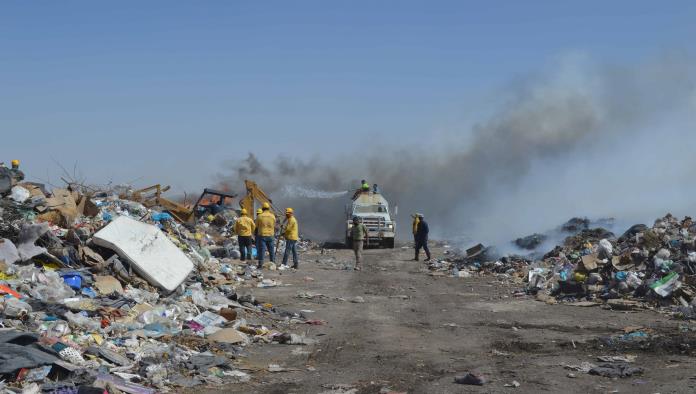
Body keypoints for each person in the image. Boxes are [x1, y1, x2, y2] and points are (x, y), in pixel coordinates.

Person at [256, 202, 276, 268]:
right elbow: (274, 225)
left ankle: (260, 264)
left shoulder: (259, 216)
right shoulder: (272, 216)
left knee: (262, 250)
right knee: (271, 250)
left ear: (262, 208)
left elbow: (256, 225)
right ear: (268, 208)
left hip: (262, 235)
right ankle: (272, 263)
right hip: (271, 235)